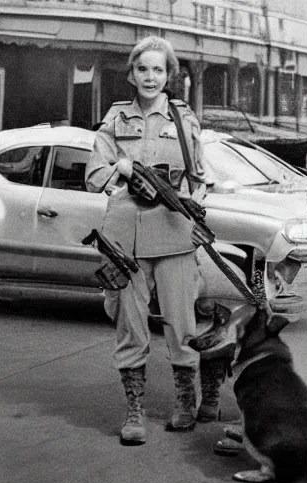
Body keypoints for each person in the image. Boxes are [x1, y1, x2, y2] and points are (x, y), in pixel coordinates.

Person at [85, 35, 230, 445]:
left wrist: (192, 205)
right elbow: (94, 177)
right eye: (143, 69)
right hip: (124, 238)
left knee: (181, 324)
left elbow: (201, 179)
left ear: (170, 76)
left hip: (172, 234)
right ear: (131, 74)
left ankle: (186, 399)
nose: (150, 77)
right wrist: (124, 168)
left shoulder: (184, 121)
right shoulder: (114, 121)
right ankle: (134, 410)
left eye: (159, 70)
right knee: (129, 325)